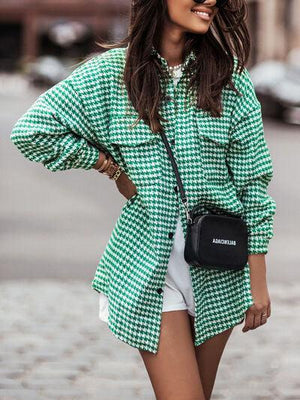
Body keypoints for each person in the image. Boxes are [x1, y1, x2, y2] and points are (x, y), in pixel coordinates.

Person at [10, 0, 277, 399]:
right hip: (149, 269)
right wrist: (110, 167)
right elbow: (32, 131)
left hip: (219, 267)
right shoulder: (110, 75)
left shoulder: (228, 78)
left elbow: (253, 184)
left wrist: (258, 280)